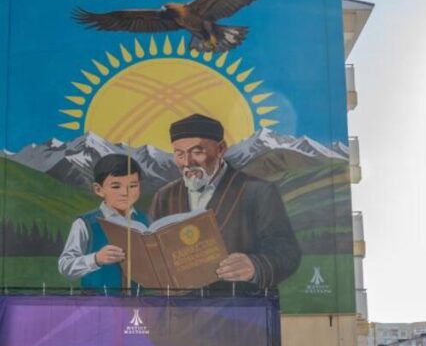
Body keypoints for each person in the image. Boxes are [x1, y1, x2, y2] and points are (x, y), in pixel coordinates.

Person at [149, 114, 301, 289]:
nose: (187, 162)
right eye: (179, 154)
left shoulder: (258, 192)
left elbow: (287, 253)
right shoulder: (165, 196)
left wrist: (255, 267)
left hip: (238, 302)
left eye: (197, 152)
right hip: (181, 304)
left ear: (220, 149)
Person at [58, 153, 151, 289]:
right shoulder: (85, 224)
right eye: (116, 187)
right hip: (96, 299)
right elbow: (65, 266)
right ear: (99, 189)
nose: (125, 193)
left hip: (138, 299)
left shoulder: (145, 221)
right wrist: (96, 258)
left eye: (133, 186)